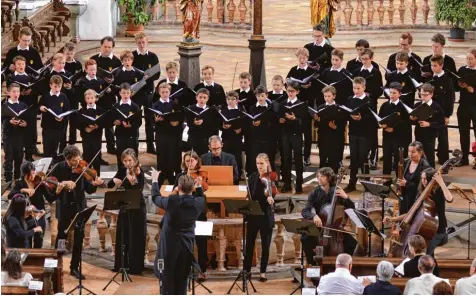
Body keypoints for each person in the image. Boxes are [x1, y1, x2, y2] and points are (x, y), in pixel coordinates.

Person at [50, 145, 104, 279]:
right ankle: (57, 265)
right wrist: (63, 183)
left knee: (79, 239)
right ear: (67, 159)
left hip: (79, 207)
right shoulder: (58, 168)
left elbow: (89, 189)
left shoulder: (82, 168)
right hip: (64, 207)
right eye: (74, 161)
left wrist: (95, 185)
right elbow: (50, 184)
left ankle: (74, 267)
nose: (78, 162)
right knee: (61, 238)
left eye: (78, 159)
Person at [151, 173, 205, 295]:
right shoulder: (199, 203)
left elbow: (155, 197)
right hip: (186, 247)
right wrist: (199, 186)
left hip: (169, 247)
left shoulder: (171, 200)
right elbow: (201, 195)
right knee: (182, 280)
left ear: (178, 188)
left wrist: (155, 180)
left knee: (166, 280)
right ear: (193, 188)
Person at [301, 167, 356, 262]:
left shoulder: (337, 191)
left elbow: (351, 208)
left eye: (322, 176)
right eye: (318, 176)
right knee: (305, 238)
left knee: (351, 243)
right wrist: (314, 216)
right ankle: (311, 264)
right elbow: (305, 211)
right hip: (320, 227)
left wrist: (346, 197)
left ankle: (343, 265)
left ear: (329, 178)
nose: (319, 178)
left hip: (335, 229)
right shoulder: (314, 193)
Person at [107, 148, 147, 275]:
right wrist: (114, 180)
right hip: (124, 207)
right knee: (123, 235)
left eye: (130, 160)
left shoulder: (140, 172)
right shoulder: (122, 170)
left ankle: (135, 267)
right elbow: (109, 184)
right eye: (125, 161)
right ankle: (121, 264)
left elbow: (139, 189)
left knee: (135, 237)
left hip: (137, 207)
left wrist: (133, 181)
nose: (127, 163)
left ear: (135, 160)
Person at [173, 151, 209, 279]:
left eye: (192, 161)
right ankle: (184, 268)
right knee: (184, 243)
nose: (190, 163)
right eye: (187, 161)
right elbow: (174, 192)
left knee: (202, 242)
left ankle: (202, 270)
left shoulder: (201, 175)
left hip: (200, 214)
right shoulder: (180, 176)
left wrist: (197, 184)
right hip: (185, 215)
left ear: (197, 162)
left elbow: (205, 188)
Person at [243, 153, 276, 282]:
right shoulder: (253, 177)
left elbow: (273, 191)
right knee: (249, 244)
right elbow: (249, 193)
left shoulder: (271, 177)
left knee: (265, 245)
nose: (259, 166)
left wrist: (270, 197)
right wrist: (247, 198)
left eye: (261, 163)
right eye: (257, 163)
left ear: (267, 163)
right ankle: (247, 270)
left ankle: (263, 271)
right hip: (253, 215)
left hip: (266, 215)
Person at [8, 162, 55, 248]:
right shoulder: (20, 184)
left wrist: (58, 191)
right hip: (26, 217)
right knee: (27, 243)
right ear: (26, 175)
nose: (34, 175)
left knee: (39, 242)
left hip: (39, 215)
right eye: (32, 173)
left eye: (34, 172)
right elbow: (10, 196)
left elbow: (50, 198)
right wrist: (22, 190)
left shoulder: (39, 184)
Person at [90, 36, 122, 154]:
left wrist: (111, 89)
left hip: (109, 97)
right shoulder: (93, 59)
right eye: (105, 47)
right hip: (96, 98)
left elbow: (118, 81)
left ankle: (111, 147)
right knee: (96, 123)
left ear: (112, 47)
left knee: (109, 124)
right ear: (101, 46)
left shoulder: (117, 62)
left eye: (109, 47)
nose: (107, 49)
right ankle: (96, 149)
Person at [351, 48, 382, 170]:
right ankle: (359, 159)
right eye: (362, 59)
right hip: (357, 104)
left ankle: (373, 157)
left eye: (366, 59)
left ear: (371, 59)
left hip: (371, 104)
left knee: (372, 132)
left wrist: (371, 94)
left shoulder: (375, 72)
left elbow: (380, 89)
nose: (364, 61)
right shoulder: (356, 71)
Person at [345, 77, 376, 193]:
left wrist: (361, 117)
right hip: (353, 132)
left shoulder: (369, 101)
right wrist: (351, 116)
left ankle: (367, 184)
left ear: (364, 87)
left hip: (364, 134)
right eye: (354, 88)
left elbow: (373, 117)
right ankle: (352, 184)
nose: (356, 91)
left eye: (358, 88)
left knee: (363, 159)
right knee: (354, 159)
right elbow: (347, 113)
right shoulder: (350, 99)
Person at [132, 32, 160, 154]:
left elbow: (157, 74)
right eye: (139, 43)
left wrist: (147, 76)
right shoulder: (132, 56)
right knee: (136, 120)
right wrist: (139, 77)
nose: (142, 45)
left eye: (143, 42)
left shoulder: (153, 56)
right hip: (136, 93)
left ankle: (150, 146)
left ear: (147, 42)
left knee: (150, 121)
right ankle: (134, 146)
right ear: (136, 43)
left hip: (149, 92)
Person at [286, 48, 315, 166]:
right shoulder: (293, 70)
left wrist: (309, 86)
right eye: (300, 58)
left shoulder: (311, 71)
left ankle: (307, 156)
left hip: (307, 104)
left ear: (307, 59)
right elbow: (287, 83)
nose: (302, 60)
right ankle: (295, 155)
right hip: (295, 104)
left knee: (307, 132)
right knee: (294, 130)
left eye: (304, 58)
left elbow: (317, 88)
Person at [6, 55, 38, 161]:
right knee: (18, 132)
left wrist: (31, 91)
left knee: (29, 131)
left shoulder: (30, 77)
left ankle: (29, 155)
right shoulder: (11, 78)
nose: (21, 66)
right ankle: (17, 155)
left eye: (23, 64)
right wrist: (20, 93)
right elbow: (9, 92)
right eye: (19, 64)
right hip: (17, 107)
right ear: (14, 66)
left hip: (29, 107)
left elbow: (37, 89)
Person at [152, 83, 184, 186]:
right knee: (162, 155)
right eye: (162, 92)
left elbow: (180, 117)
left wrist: (177, 123)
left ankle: (172, 177)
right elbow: (151, 122)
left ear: (169, 92)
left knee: (173, 155)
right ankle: (161, 176)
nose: (165, 94)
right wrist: (156, 121)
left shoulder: (175, 104)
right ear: (159, 93)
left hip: (173, 135)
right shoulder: (155, 105)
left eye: (166, 92)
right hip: (161, 135)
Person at [427, 54, 455, 166]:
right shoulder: (429, 78)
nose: (433, 68)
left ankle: (444, 161)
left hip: (442, 112)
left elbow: (451, 98)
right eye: (431, 65)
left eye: (435, 65)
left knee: (443, 138)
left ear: (441, 65)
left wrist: (447, 115)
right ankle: (429, 160)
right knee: (429, 137)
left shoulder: (447, 80)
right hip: (430, 112)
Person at [378, 82, 411, 176]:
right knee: (386, 159)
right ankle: (386, 183)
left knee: (398, 161)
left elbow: (407, 124)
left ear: (400, 94)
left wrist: (394, 129)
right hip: (387, 137)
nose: (391, 95)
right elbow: (380, 119)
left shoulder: (403, 107)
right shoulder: (384, 105)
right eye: (390, 92)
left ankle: (399, 184)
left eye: (394, 93)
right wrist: (381, 125)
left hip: (399, 138)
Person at [410, 84, 445, 168]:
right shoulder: (417, 105)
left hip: (430, 135)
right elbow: (412, 122)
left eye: (426, 95)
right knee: (418, 155)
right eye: (422, 94)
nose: (423, 97)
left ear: (431, 94)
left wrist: (429, 124)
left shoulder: (436, 107)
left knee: (429, 156)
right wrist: (412, 119)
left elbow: (441, 123)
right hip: (419, 133)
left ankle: (430, 175)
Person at [279, 81, 305, 193]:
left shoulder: (301, 104)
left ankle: (299, 184)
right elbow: (278, 117)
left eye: (292, 91)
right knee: (286, 159)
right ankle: (287, 184)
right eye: (288, 91)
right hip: (286, 134)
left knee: (298, 159)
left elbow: (304, 124)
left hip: (297, 135)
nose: (290, 93)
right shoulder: (283, 103)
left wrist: (295, 119)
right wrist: (280, 120)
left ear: (297, 92)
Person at [420, 168, 453, 255]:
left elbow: (450, 198)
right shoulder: (422, 191)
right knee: (427, 256)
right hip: (427, 228)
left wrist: (441, 182)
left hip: (438, 230)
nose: (423, 181)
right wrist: (394, 219)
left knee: (425, 255)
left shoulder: (438, 191)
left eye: (425, 178)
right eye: (422, 178)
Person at [314, 85, 346, 174]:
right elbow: (317, 125)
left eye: (329, 96)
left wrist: (335, 127)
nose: (326, 98)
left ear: (334, 96)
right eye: (325, 96)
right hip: (323, 138)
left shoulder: (340, 108)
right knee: (323, 162)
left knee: (334, 163)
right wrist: (317, 120)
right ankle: (322, 183)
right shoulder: (320, 107)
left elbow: (343, 124)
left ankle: (333, 184)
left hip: (335, 139)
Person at [39, 75, 71, 162]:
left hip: (59, 128)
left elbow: (67, 111)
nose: (57, 89)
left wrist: (62, 118)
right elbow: (39, 107)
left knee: (56, 150)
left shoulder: (63, 97)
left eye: (59, 86)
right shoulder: (45, 96)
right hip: (47, 127)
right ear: (50, 85)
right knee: (47, 149)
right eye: (55, 86)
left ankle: (56, 167)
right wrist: (41, 108)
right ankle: (46, 167)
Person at [2, 83, 29, 182]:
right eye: (13, 91)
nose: (16, 93)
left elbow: (27, 120)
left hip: (19, 136)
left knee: (19, 159)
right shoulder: (4, 105)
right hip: (8, 136)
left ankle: (17, 179)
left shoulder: (23, 105)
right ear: (9, 93)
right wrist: (9, 121)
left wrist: (25, 124)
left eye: (17, 91)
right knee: (9, 158)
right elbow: (3, 120)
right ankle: (8, 181)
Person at [77, 89, 106, 175]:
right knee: (86, 156)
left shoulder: (101, 110)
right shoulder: (81, 111)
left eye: (91, 98)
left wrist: (98, 126)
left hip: (97, 137)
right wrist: (85, 128)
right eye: (88, 98)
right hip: (86, 137)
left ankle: (97, 176)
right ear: (85, 99)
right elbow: (78, 123)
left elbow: (105, 121)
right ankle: (87, 178)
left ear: (95, 99)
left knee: (97, 157)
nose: (90, 100)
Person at [396, 141, 430, 214]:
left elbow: (422, 187)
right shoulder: (406, 161)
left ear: (420, 152)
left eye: (413, 152)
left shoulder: (425, 166)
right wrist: (399, 185)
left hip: (415, 199)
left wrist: (406, 184)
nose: (410, 154)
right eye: (409, 151)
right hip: (404, 197)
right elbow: (402, 177)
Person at [112, 83, 142, 165]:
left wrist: (131, 125)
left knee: (133, 157)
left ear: (131, 93)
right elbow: (111, 119)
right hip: (120, 135)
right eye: (124, 93)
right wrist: (115, 122)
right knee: (120, 156)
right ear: (120, 93)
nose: (126, 95)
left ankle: (134, 175)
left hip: (132, 135)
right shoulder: (116, 106)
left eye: (128, 93)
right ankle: (121, 175)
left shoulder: (135, 107)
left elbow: (139, 122)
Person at [456, 48, 476, 167]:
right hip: (463, 105)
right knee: (463, 133)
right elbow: (456, 86)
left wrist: (473, 90)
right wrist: (460, 85)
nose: (468, 60)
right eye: (467, 58)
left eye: (471, 59)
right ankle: (464, 159)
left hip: (475, 106)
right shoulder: (462, 70)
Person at [247, 86, 273, 175]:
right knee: (255, 160)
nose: (260, 98)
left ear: (266, 95)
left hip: (267, 138)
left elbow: (273, 122)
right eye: (258, 96)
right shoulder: (252, 108)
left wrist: (264, 123)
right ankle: (254, 179)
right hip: (256, 138)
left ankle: (269, 181)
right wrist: (253, 124)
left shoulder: (270, 108)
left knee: (268, 160)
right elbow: (249, 122)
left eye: (262, 96)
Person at [63, 42, 83, 146]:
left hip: (73, 96)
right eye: (68, 53)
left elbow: (80, 80)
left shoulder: (78, 64)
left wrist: (73, 86)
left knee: (73, 121)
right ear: (64, 52)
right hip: (63, 95)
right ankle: (62, 144)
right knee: (63, 121)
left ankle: (72, 143)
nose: (69, 55)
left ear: (74, 52)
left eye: (71, 53)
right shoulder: (62, 64)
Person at [219, 91, 244, 175]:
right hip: (226, 137)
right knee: (225, 156)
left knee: (237, 157)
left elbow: (245, 123)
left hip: (237, 137)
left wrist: (241, 129)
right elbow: (219, 124)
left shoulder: (241, 110)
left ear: (237, 100)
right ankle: (226, 174)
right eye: (228, 99)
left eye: (233, 99)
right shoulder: (223, 111)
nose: (230, 101)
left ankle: (237, 175)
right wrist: (222, 126)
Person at [267, 75, 287, 170]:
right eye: (274, 85)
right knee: (271, 153)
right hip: (272, 128)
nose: (276, 87)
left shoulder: (287, 95)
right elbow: (267, 113)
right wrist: (276, 119)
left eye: (278, 85)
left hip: (284, 128)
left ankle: (284, 174)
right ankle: (272, 175)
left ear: (282, 85)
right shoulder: (268, 95)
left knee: (284, 153)